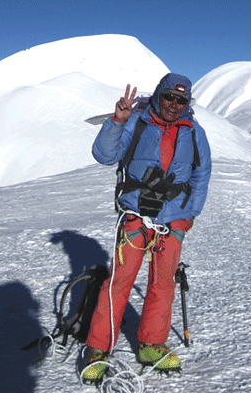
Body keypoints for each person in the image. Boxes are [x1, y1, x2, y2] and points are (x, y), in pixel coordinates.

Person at [82, 73, 211, 383]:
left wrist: (189, 215)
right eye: (169, 97)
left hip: (173, 219)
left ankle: (152, 344)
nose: (174, 104)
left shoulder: (194, 132)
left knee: (163, 283)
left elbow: (201, 174)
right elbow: (104, 155)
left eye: (181, 100)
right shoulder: (136, 122)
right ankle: (98, 350)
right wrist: (117, 120)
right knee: (120, 281)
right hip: (135, 216)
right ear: (158, 95)